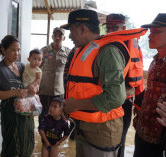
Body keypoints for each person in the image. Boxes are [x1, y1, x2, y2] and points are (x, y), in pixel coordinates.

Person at [61, 9, 146, 157]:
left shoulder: (108, 51)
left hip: (102, 131)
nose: (69, 35)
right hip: (85, 127)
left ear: (82, 29)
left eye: (71, 30)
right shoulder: (84, 50)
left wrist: (76, 105)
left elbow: (115, 97)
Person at [0, 35, 35, 157]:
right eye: (13, 50)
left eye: (18, 50)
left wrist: (34, 88)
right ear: (3, 50)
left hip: (26, 111)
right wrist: (14, 92)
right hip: (10, 112)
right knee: (12, 143)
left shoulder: (22, 67)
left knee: (27, 140)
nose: (17, 53)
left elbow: (33, 82)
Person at [103, 13, 144, 157]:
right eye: (109, 28)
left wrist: (138, 103)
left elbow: (138, 70)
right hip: (106, 99)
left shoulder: (135, 46)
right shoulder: (102, 45)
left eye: (115, 27)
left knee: (121, 136)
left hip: (127, 99)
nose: (112, 31)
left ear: (124, 28)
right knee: (105, 135)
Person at [133, 13, 166, 157]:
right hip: (142, 133)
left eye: (156, 32)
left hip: (159, 141)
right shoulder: (155, 61)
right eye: (150, 32)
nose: (150, 36)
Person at [39, 27, 71, 122]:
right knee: (44, 114)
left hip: (60, 91)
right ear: (52, 37)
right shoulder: (44, 51)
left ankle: (57, 136)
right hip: (45, 90)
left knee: (58, 116)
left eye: (60, 35)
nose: (57, 37)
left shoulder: (68, 52)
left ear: (64, 38)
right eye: (55, 35)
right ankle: (43, 135)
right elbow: (37, 68)